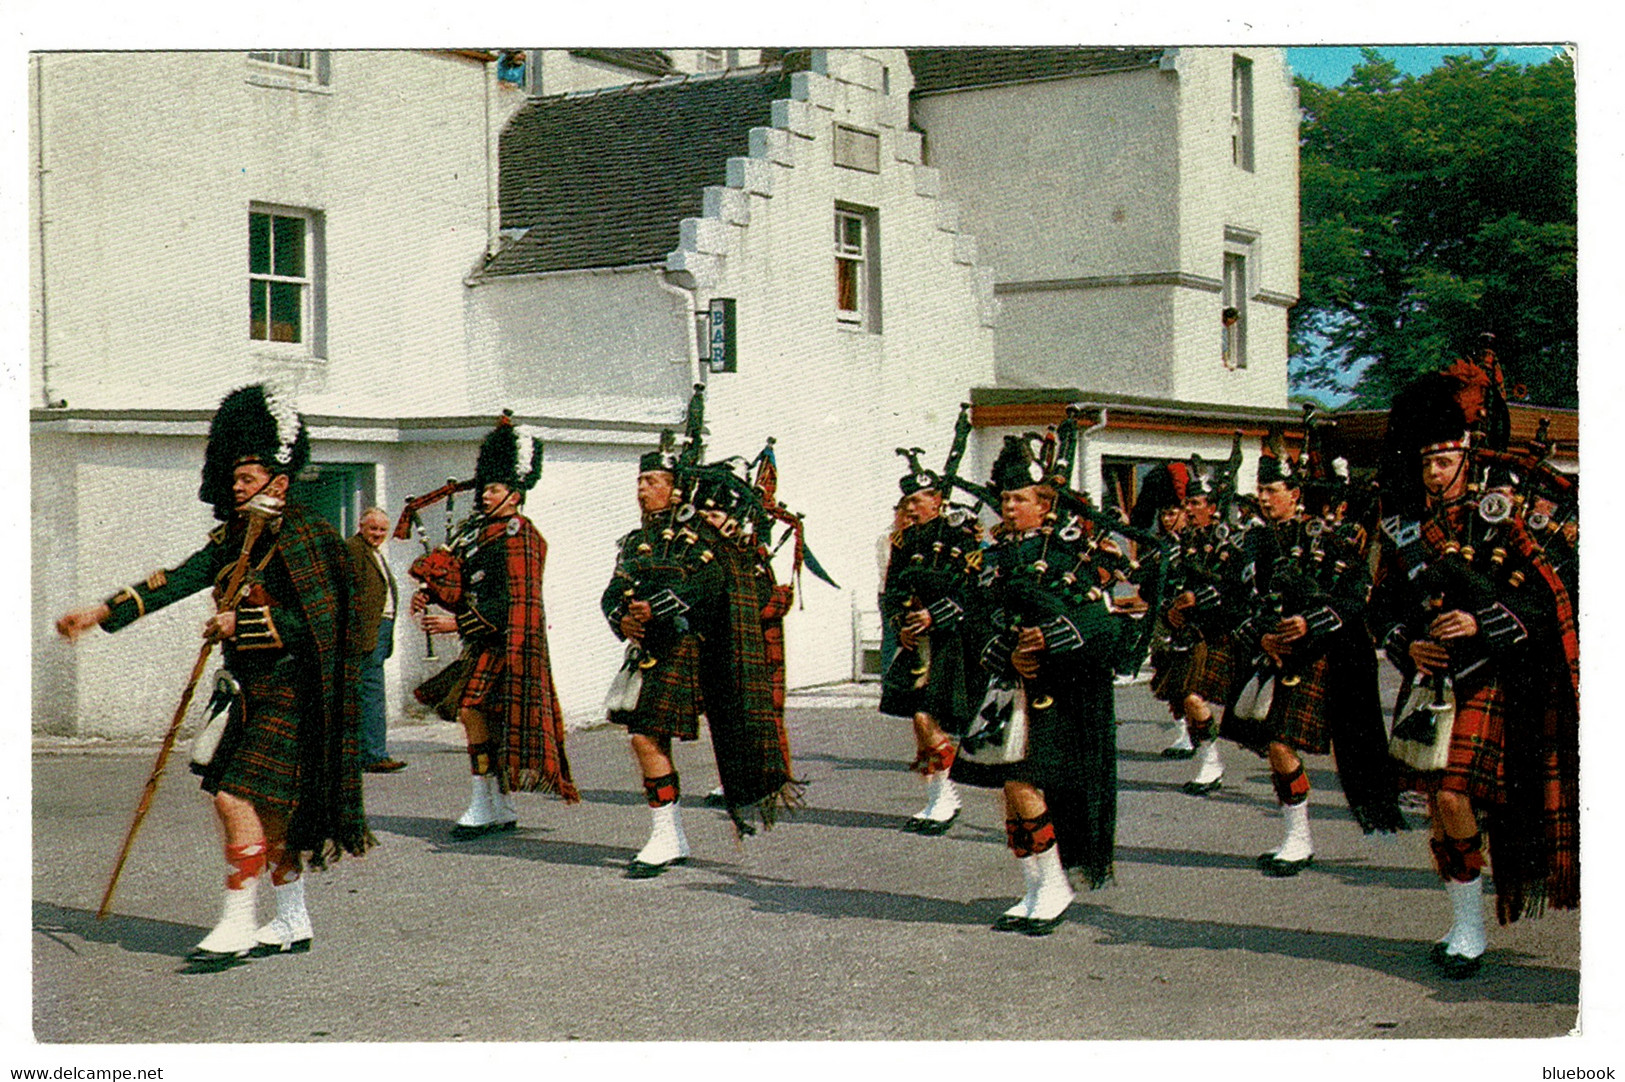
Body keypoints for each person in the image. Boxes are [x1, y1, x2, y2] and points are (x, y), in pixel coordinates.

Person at [55, 384, 372, 970]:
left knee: (232, 797)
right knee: (270, 812)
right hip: (245, 691)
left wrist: (241, 621)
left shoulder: (311, 537)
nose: (236, 486)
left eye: (247, 478)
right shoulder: (231, 539)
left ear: (278, 480)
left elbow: (321, 627)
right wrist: (100, 613)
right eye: (233, 477)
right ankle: (293, 917)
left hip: (297, 691)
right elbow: (172, 580)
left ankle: (236, 922)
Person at [1370, 373, 1579, 977]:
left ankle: (1470, 929)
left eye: (1443, 459)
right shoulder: (1404, 524)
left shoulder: (1509, 512)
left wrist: (1483, 623)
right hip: (1433, 679)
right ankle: (1465, 924)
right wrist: (1406, 645)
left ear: (1466, 450)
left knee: (1456, 794)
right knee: (1439, 803)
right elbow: (1380, 605)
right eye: (1426, 461)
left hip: (1496, 676)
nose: (1434, 472)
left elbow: (1555, 595)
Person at [602, 412, 799, 878]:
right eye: (640, 480)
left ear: (675, 487)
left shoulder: (702, 537)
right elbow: (614, 590)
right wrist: (623, 619)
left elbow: (711, 584)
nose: (641, 488)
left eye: (652, 480)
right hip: (648, 651)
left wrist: (659, 608)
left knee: (646, 735)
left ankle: (668, 835)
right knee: (644, 737)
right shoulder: (636, 541)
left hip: (691, 650)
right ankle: (667, 834)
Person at [952, 436, 1124, 936]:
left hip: (1058, 692)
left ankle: (1055, 886)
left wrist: (1043, 641)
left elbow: (1100, 622)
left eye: (1020, 499)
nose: (1009, 508)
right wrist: (1008, 651)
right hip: (1009, 688)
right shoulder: (994, 557)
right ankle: (1033, 886)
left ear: (1044, 504)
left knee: (1024, 783)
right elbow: (977, 621)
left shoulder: (1070, 553)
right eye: (1005, 500)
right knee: (1009, 788)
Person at [1224, 440, 1403, 878]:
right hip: (1274, 653)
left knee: (1280, 742)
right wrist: (1262, 636)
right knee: (1272, 744)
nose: (1263, 498)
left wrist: (1309, 624)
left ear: (1295, 494)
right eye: (1260, 490)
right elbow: (1239, 599)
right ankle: (1296, 835)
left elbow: (1355, 596)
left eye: (1273, 489)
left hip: (1321, 653)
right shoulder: (1256, 541)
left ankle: (1298, 840)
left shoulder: (1329, 536)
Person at [413, 415, 579, 837]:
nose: (485, 495)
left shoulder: (519, 533)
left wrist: (456, 625)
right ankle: (493, 802)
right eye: (485, 488)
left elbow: (512, 602)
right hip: (486, 641)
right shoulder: (482, 533)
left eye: (494, 489)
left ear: (515, 494)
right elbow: (468, 584)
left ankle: (487, 801)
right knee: (478, 715)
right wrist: (432, 593)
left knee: (472, 710)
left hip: (509, 644)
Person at [878, 452, 986, 834]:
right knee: (920, 720)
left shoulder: (960, 534)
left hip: (952, 640)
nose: (910, 508)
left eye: (916, 500)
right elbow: (892, 591)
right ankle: (938, 796)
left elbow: (972, 588)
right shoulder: (905, 542)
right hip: (917, 642)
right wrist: (901, 626)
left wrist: (935, 615)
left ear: (937, 499)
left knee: (926, 717)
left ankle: (944, 796)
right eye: (907, 502)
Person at [349, 507, 405, 773]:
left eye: (383, 530)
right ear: (361, 526)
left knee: (369, 693)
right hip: (366, 634)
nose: (378, 534)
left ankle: (369, 752)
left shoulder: (374, 553)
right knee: (371, 694)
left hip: (380, 631)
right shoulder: (353, 550)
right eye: (373, 529)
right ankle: (373, 754)